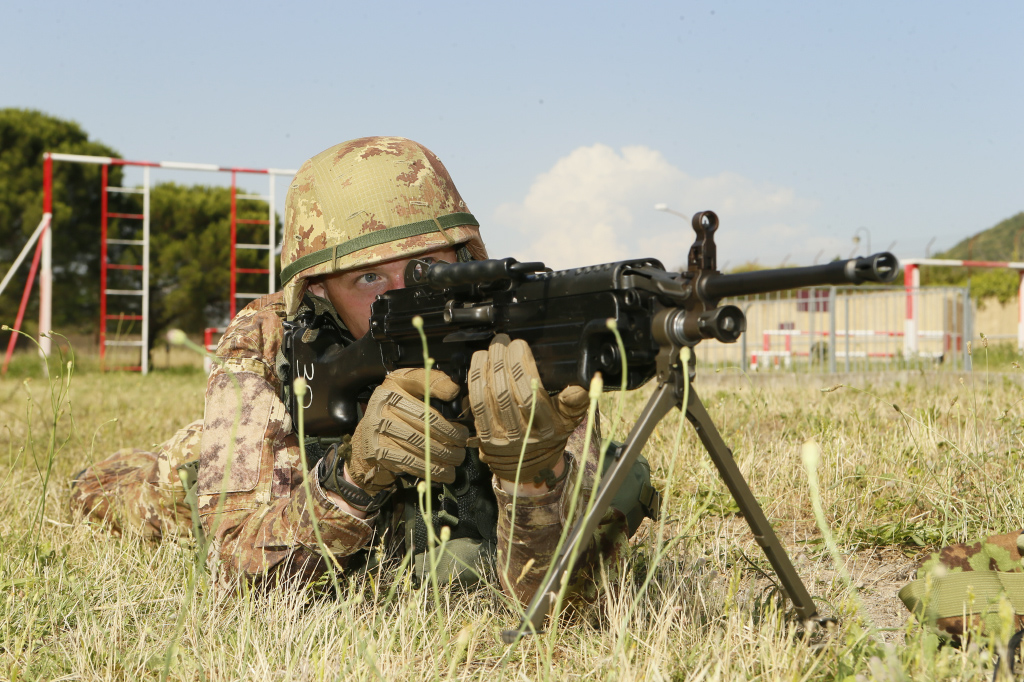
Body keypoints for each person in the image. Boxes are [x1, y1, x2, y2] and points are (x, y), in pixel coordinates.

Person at [71, 136, 657, 605]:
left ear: (465, 257)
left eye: (427, 265)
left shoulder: (523, 334)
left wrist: (531, 477)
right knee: (155, 482)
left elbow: (569, 603)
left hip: (415, 503)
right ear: (320, 292)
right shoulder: (269, 338)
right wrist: (353, 476)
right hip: (263, 467)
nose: (409, 295)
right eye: (370, 278)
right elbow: (240, 570)